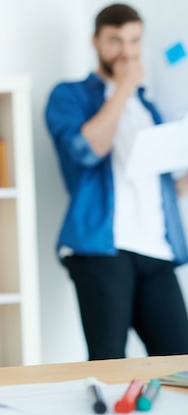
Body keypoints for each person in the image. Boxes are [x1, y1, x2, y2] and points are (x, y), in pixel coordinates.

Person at [45, 3, 188, 361]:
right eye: (116, 41)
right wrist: (123, 87)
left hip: (156, 249)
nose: (127, 51)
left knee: (179, 360)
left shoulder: (150, 107)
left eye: (134, 41)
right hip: (101, 250)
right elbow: (87, 150)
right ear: (95, 41)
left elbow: (166, 187)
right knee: (109, 361)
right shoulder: (70, 96)